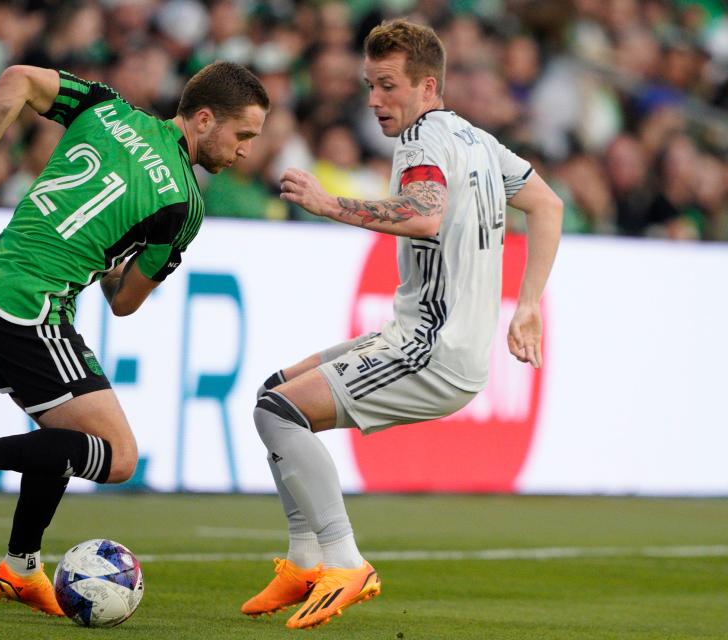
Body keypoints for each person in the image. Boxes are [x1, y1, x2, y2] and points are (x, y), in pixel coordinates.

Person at [241, 20, 562, 630]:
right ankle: (305, 560)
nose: (373, 100)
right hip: (426, 336)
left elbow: (425, 217)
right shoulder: (477, 140)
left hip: (430, 347)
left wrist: (328, 203)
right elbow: (548, 204)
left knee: (277, 414)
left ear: (427, 86)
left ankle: (344, 561)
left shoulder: (420, 140)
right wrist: (527, 305)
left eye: (388, 85)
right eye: (370, 85)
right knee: (273, 395)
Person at [0, 61, 268, 616]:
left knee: (65, 437)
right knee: (119, 457)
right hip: (30, 309)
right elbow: (124, 301)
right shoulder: (184, 206)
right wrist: (114, 255)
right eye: (243, 134)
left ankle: (20, 566)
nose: (246, 150)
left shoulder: (106, 107)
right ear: (204, 120)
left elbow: (15, 78)